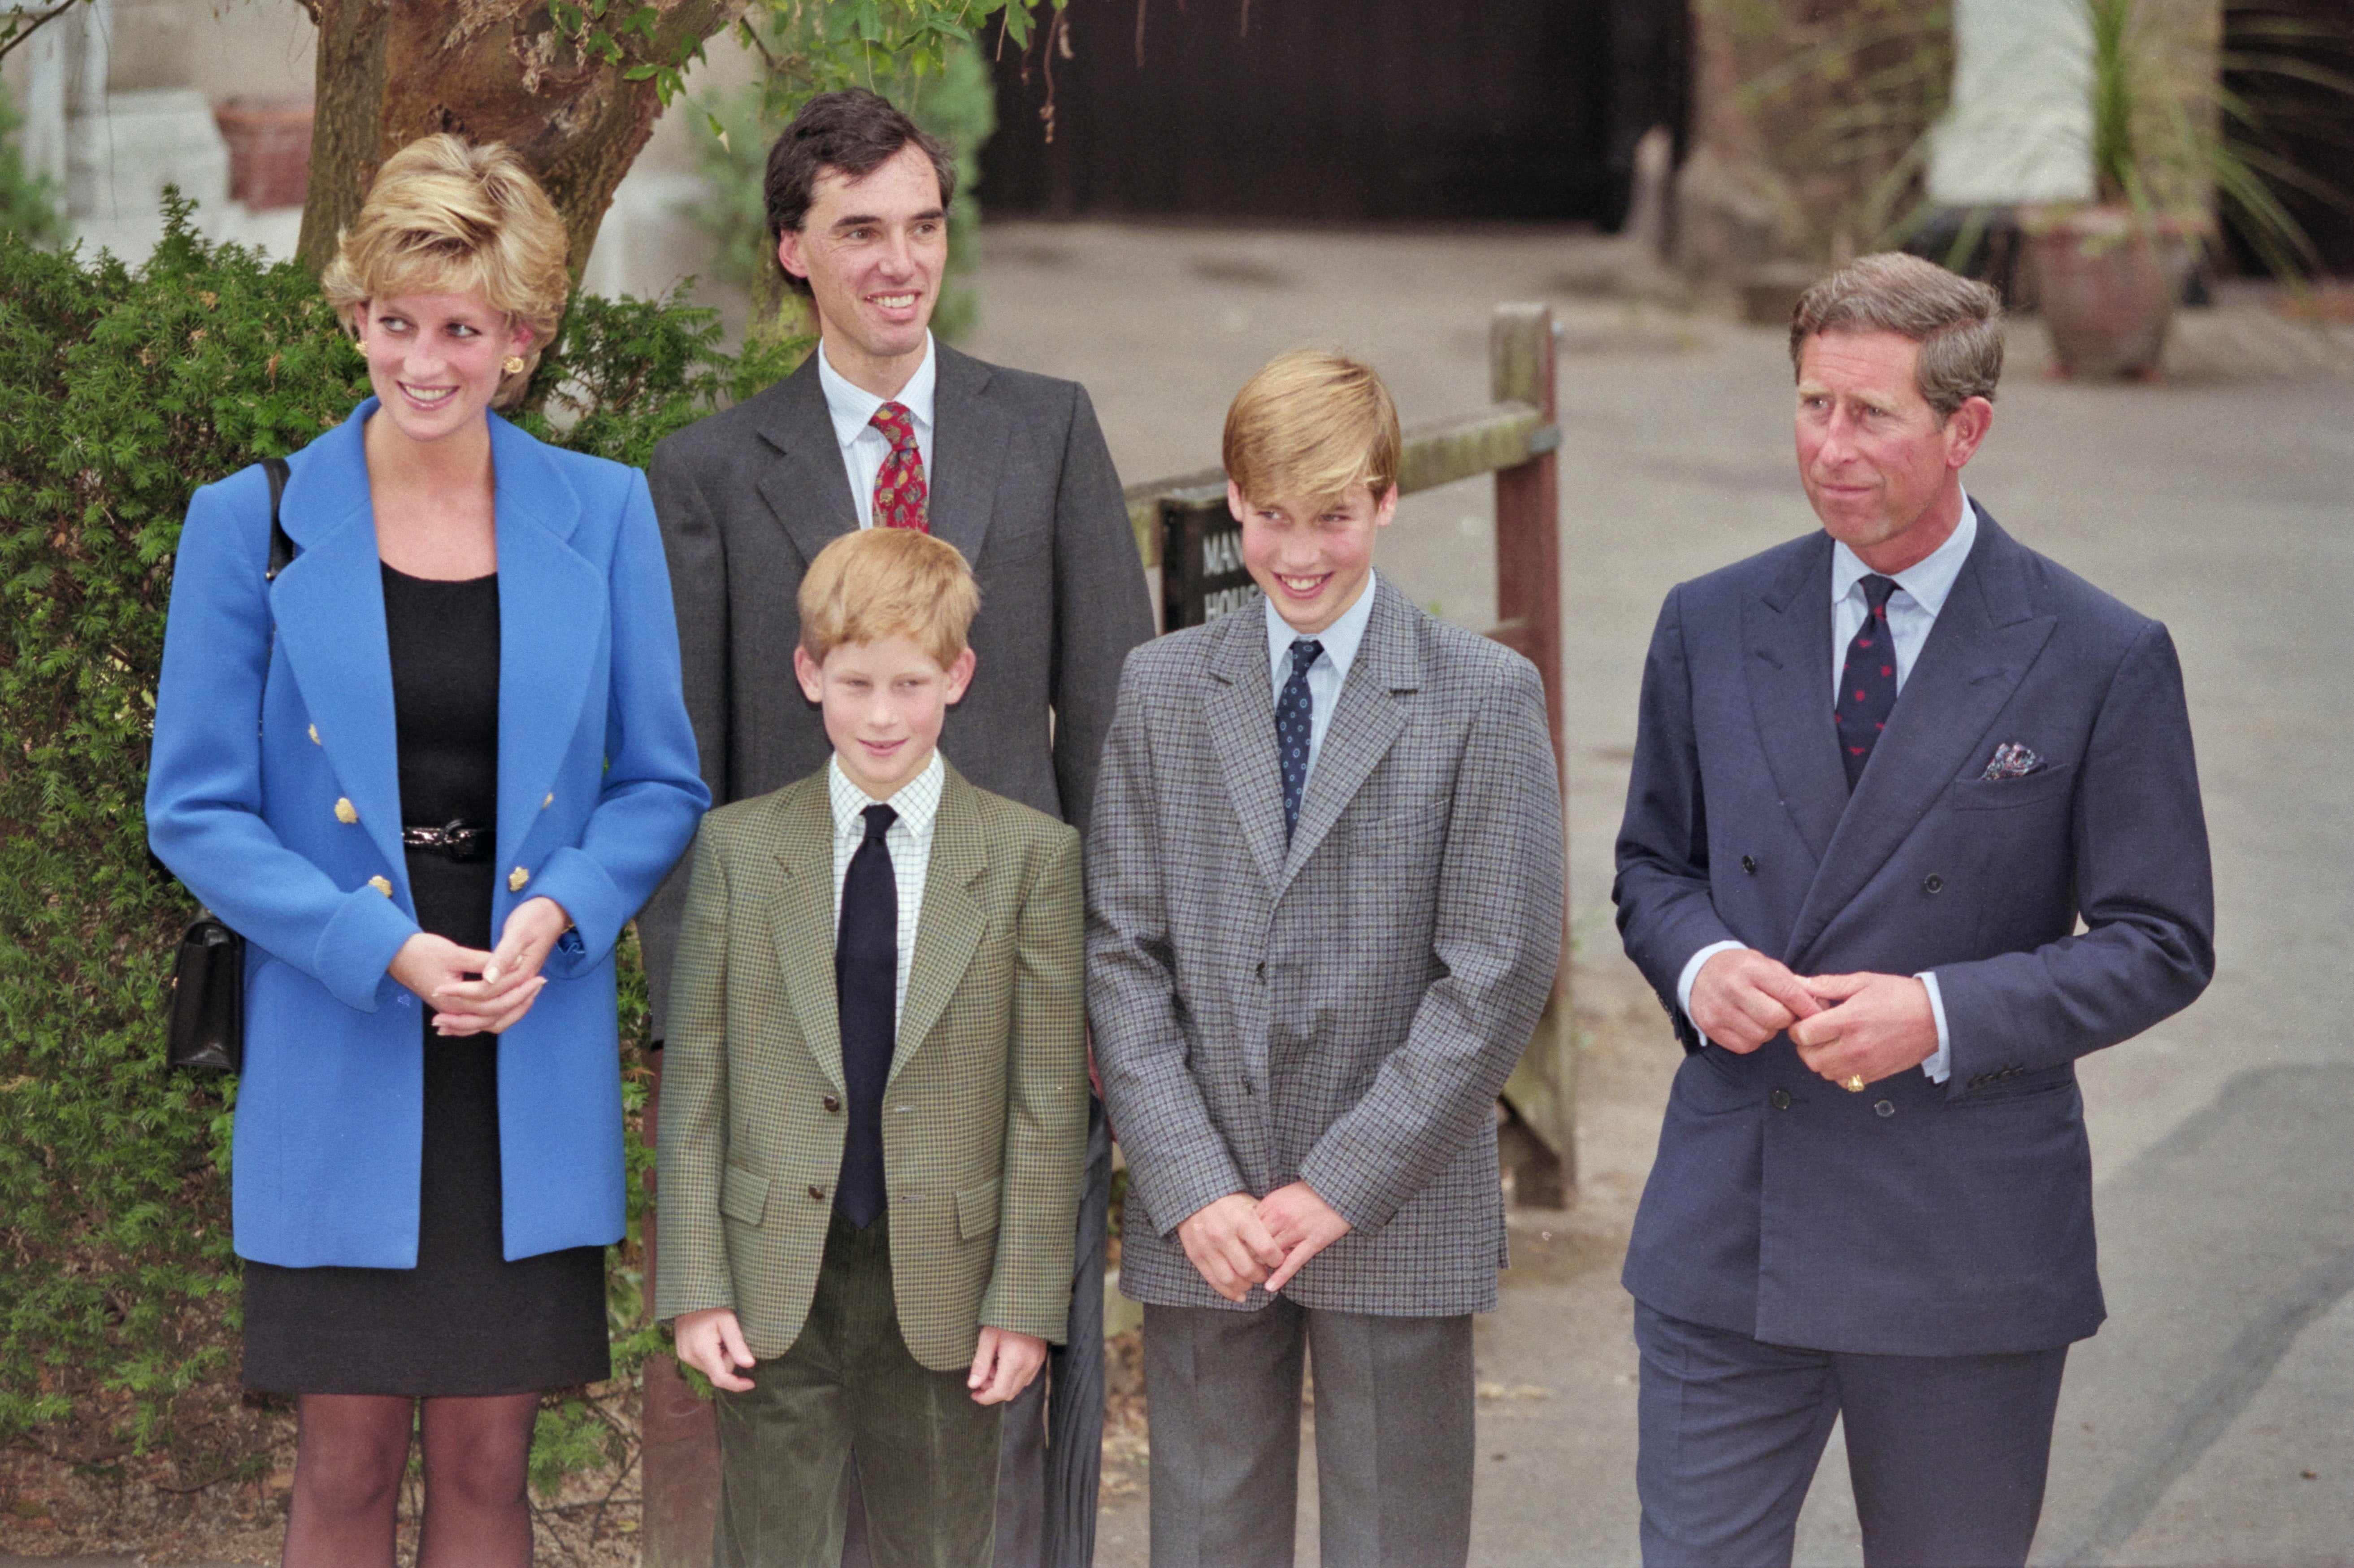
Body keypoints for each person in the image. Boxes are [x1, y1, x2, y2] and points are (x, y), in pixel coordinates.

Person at [144, 135, 708, 1567]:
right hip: (344, 1029)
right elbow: (194, 808)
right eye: (396, 321)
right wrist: (374, 946)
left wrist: (563, 917)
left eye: (462, 327)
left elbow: (657, 782)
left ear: (520, 338)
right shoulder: (253, 521)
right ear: (356, 317)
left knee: (489, 1460)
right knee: (337, 1461)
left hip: (528, 1030)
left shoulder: (608, 510)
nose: (425, 360)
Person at [1611, 252, 2215, 1567]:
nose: (1829, 446)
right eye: (1811, 405)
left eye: (1869, 413)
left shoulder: (2097, 652)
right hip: (1732, 1219)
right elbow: (1653, 867)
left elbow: (2162, 939)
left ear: (1966, 429)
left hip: (1962, 1242)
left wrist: (1936, 1011)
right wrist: (1701, 962)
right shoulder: (1709, 623)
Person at [638, 87, 1152, 1564]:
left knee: (999, 1399)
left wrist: (1110, 999)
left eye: (922, 225)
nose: (898, 261)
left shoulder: (1047, 432)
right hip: (801, 1004)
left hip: (1001, 1006)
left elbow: (1109, 731)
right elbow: (695, 772)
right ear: (795, 247)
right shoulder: (713, 474)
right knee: (797, 1397)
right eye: (860, 231)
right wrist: (698, 1026)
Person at [1087, 348, 1565, 1567]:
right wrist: (1190, 1182)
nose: (1300, 553)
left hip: (1394, 1202)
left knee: (1394, 1539)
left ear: (1389, 501)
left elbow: (1496, 972)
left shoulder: (1482, 696)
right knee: (1201, 1537)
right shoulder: (1161, 689)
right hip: (1210, 1216)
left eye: (1335, 518)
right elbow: (1122, 955)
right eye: (1272, 517)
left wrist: (1341, 1182)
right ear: (1235, 502)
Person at [655, 525, 1089, 1568]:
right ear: (809, 676)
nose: (882, 714)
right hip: (774, 1279)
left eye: (910, 682)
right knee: (769, 1546)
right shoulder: (742, 849)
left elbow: (1046, 1106)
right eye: (855, 683)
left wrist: (1027, 1301)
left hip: (946, 1279)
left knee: (939, 1547)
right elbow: (698, 1081)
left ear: (960, 676)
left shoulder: (1032, 857)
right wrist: (696, 1283)